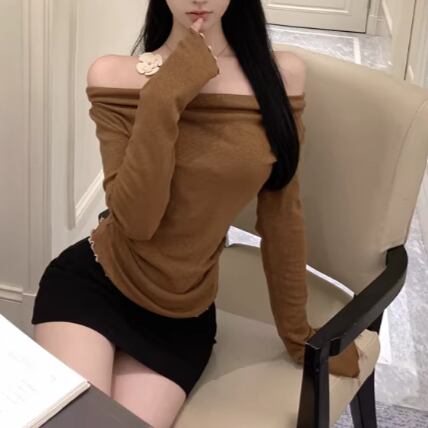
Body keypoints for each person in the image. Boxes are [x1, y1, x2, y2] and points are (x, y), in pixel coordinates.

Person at [31, 1, 362, 427]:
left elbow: (282, 215)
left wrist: (298, 333)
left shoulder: (280, 78)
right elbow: (137, 222)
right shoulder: (113, 76)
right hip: (94, 286)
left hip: (182, 316)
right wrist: (164, 96)